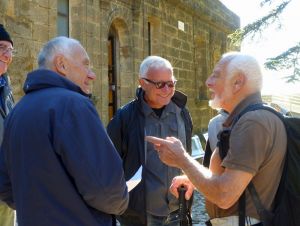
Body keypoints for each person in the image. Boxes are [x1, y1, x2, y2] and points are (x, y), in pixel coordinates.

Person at [146, 52, 287, 226]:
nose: (208, 82)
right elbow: (229, 180)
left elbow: (224, 195)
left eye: (217, 75)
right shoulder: (249, 118)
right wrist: (193, 177)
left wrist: (182, 160)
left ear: (237, 82)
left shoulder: (253, 122)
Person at [0, 36, 129, 226]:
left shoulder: (17, 111)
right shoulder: (74, 105)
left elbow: (5, 185)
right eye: (86, 65)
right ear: (61, 64)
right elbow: (108, 193)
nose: (92, 74)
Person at [107, 56, 193, 226]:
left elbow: (187, 156)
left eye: (171, 83)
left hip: (179, 209)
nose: (167, 89)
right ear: (143, 82)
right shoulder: (125, 117)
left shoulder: (182, 113)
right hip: (141, 215)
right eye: (160, 84)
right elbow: (109, 164)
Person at [0, 24, 15, 226]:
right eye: (2, 47)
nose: (7, 55)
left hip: (5, 186)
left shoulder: (5, 87)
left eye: (10, 50)